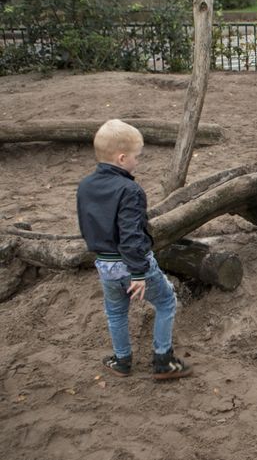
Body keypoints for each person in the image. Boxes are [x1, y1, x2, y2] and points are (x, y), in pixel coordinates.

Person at [76, 119, 192, 380]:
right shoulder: (130, 190)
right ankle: (163, 360)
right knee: (165, 301)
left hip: (105, 264)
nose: (138, 163)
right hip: (133, 265)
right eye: (136, 157)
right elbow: (131, 235)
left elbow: (87, 225)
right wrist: (139, 272)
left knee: (115, 312)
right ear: (121, 158)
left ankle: (122, 359)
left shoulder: (85, 186)